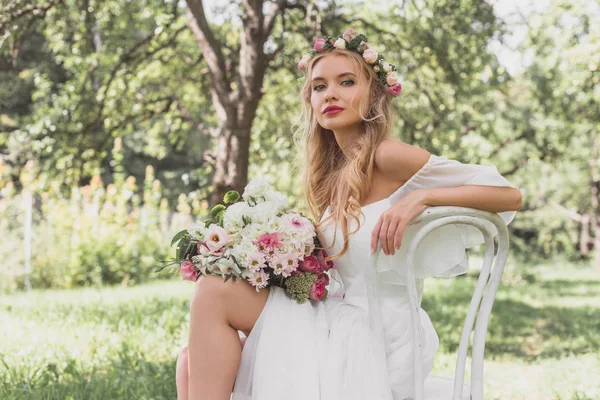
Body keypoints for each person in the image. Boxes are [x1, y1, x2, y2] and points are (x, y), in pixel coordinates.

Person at [175, 29, 522, 400]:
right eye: (319, 86)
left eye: (346, 82)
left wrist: (422, 198)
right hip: (336, 316)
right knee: (189, 360)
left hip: (374, 336)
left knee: (212, 292)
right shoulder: (333, 173)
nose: (331, 94)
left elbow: (508, 195)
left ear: (372, 94)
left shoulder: (385, 155)